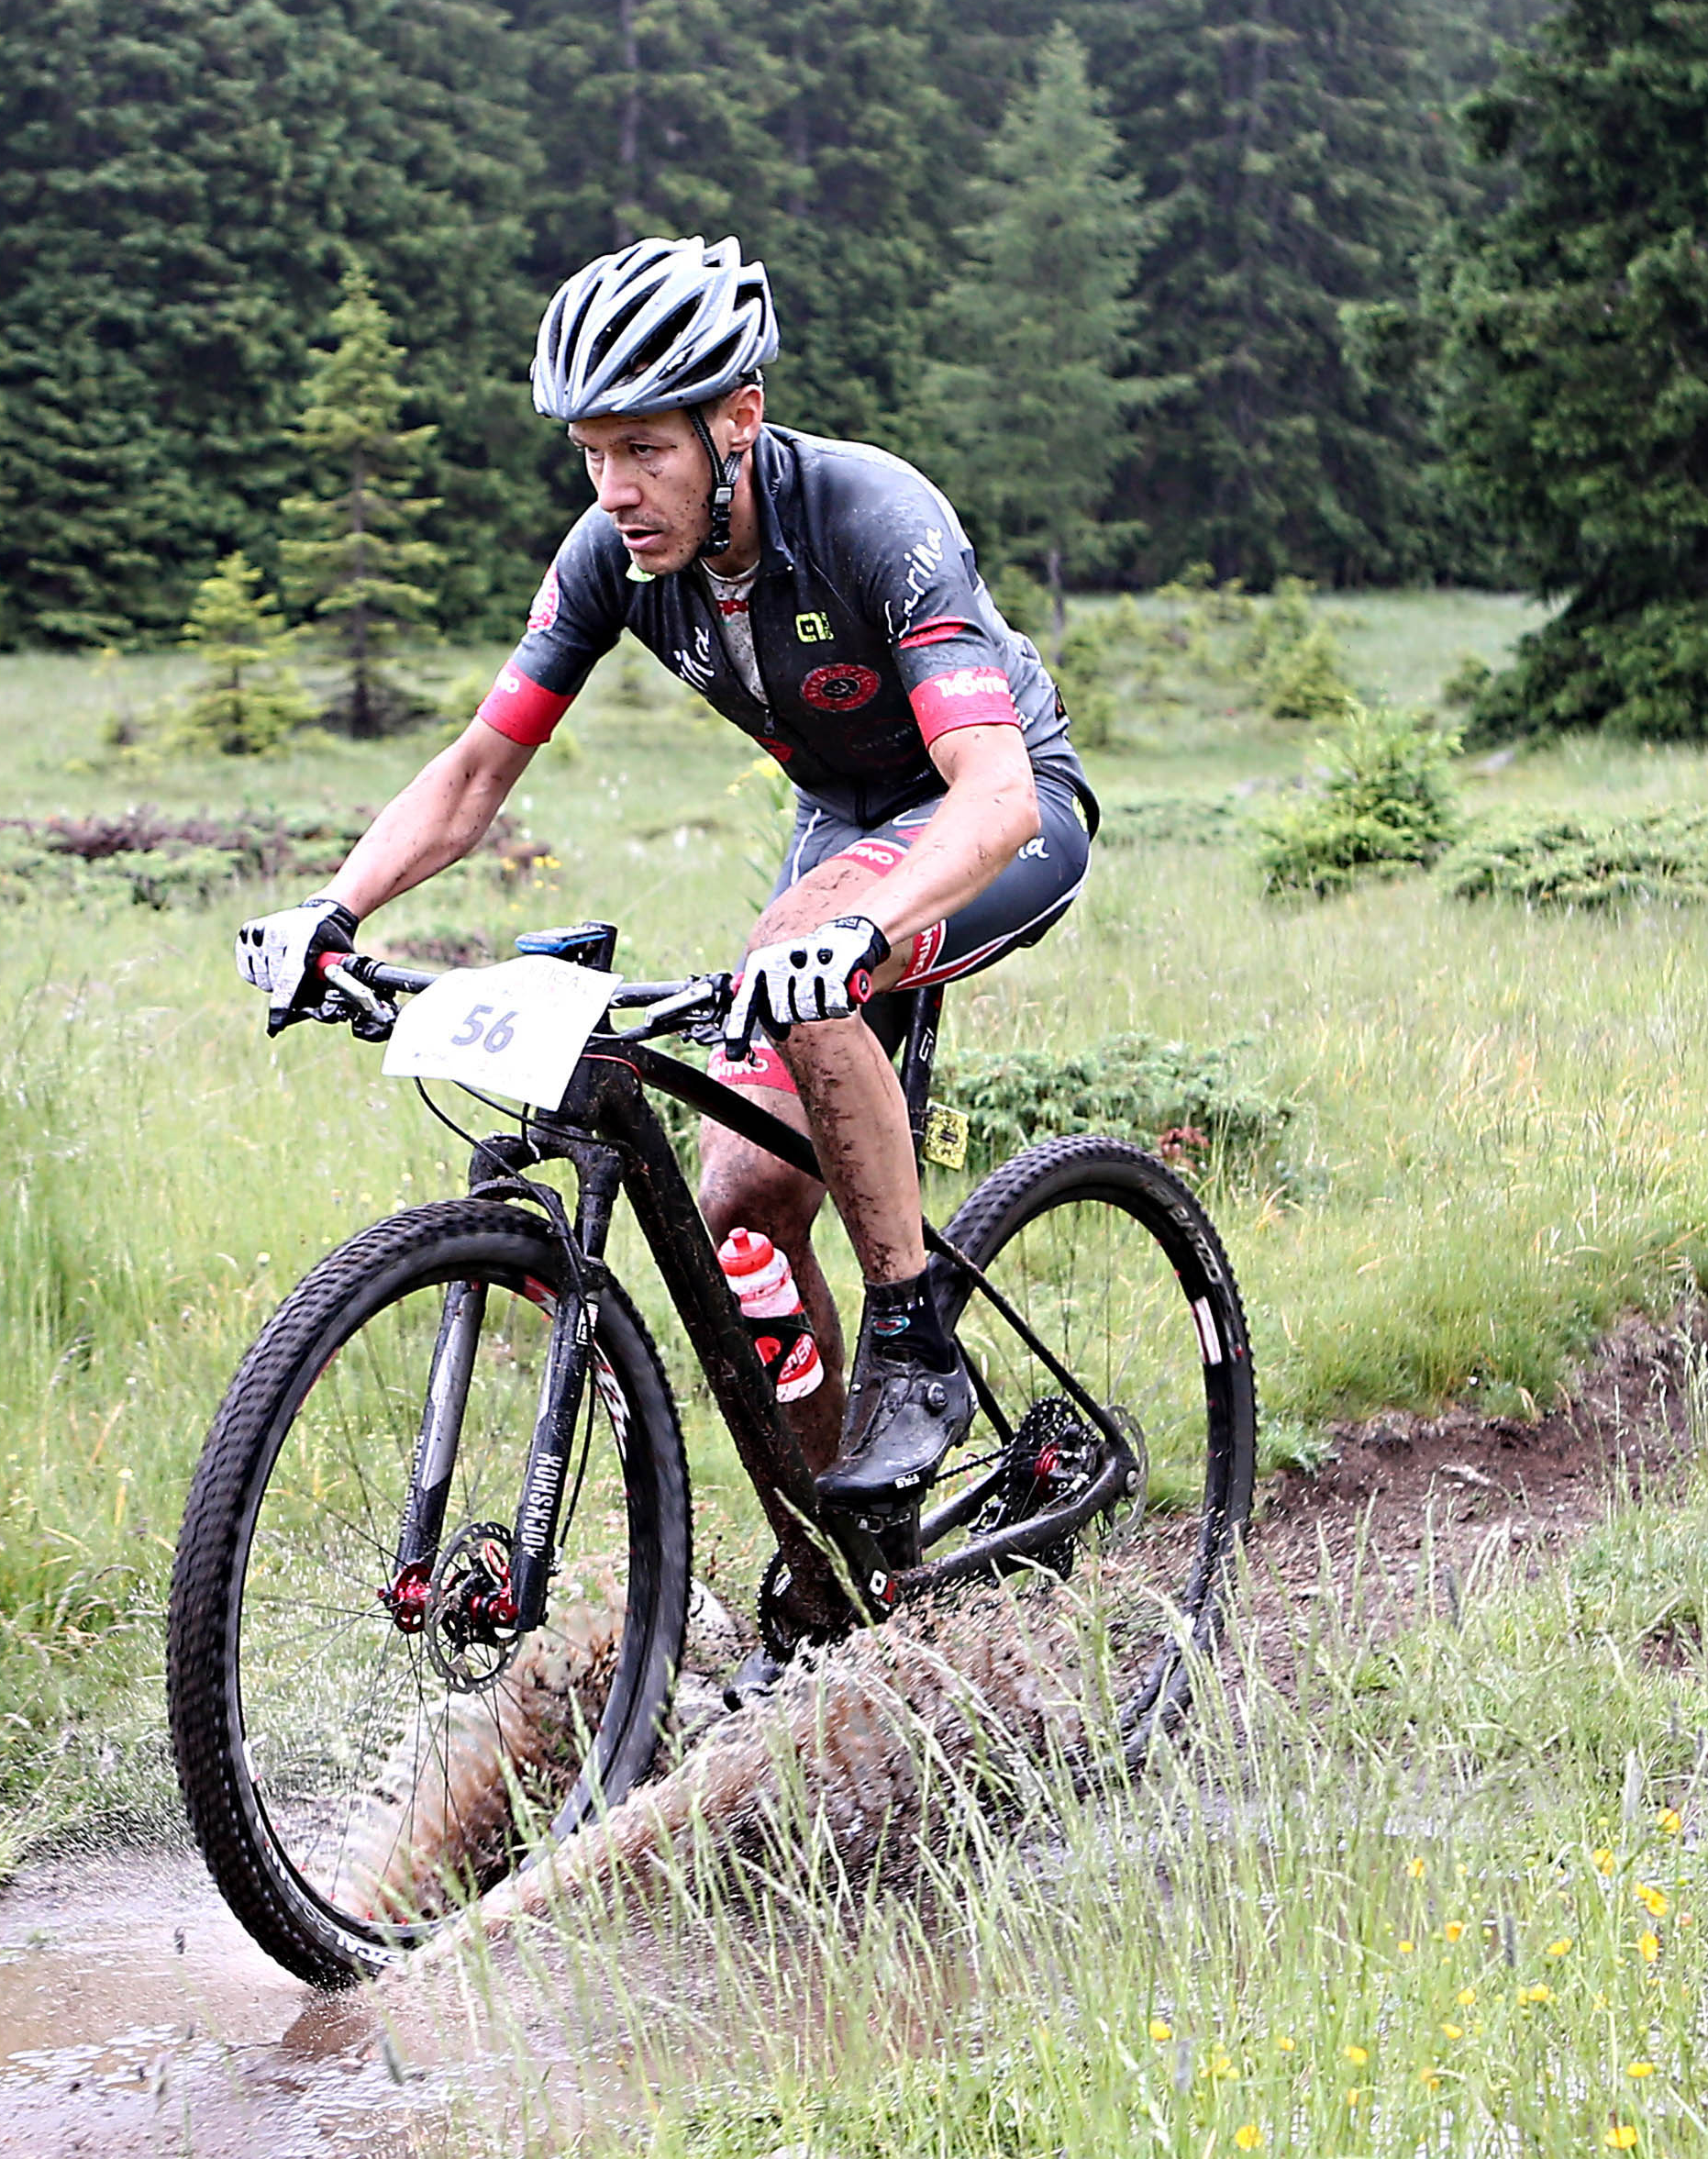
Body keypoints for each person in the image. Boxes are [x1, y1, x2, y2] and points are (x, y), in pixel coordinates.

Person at [236, 233, 1096, 1518]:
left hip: (1001, 806)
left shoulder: (873, 516)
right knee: (743, 1215)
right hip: (842, 816)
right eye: (592, 452)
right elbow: (476, 771)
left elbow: (992, 792)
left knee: (800, 955)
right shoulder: (609, 560)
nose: (616, 487)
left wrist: (853, 927)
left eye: (646, 449)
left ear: (737, 420)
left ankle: (915, 1339)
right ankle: (843, 1552)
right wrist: (333, 909)